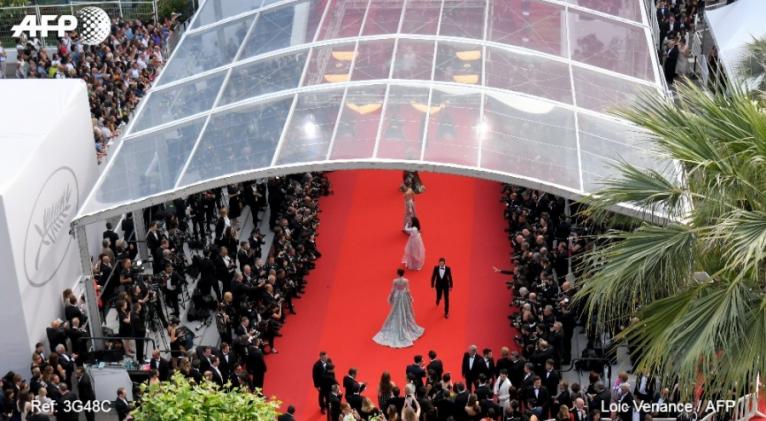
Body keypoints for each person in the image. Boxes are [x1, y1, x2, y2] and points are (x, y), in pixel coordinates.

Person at [373, 269, 425, 348]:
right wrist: (410, 297)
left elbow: (393, 290)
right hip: (404, 296)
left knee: (395, 310)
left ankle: (399, 320)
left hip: (397, 296)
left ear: (398, 273)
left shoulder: (395, 281)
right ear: (403, 273)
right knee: (405, 310)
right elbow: (408, 290)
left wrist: (390, 297)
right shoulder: (406, 280)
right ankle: (405, 322)